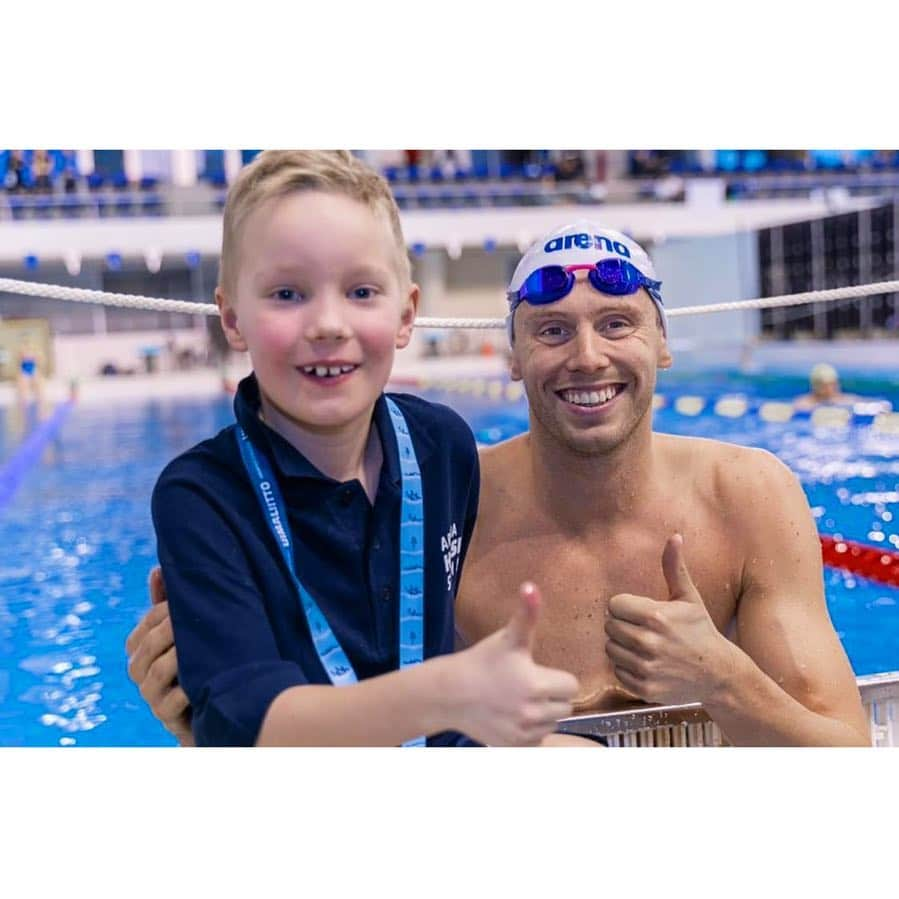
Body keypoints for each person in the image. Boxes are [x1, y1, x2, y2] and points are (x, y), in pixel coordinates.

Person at [129, 219, 870, 747]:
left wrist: (720, 678)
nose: (586, 356)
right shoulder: (443, 507)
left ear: (662, 343)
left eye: (617, 323)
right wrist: (209, 727)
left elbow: (843, 763)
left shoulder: (746, 496)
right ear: (510, 356)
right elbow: (340, 712)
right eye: (549, 331)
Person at [139, 150, 579, 748]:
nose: (327, 323)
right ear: (232, 319)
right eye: (288, 293)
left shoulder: (442, 447)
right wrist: (448, 692)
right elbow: (241, 726)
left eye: (361, 291)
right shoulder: (203, 496)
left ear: (406, 315)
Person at [793, 363, 861, 410]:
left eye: (833, 384)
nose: (830, 389)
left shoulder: (848, 400)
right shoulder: (804, 403)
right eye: (825, 386)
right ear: (816, 387)